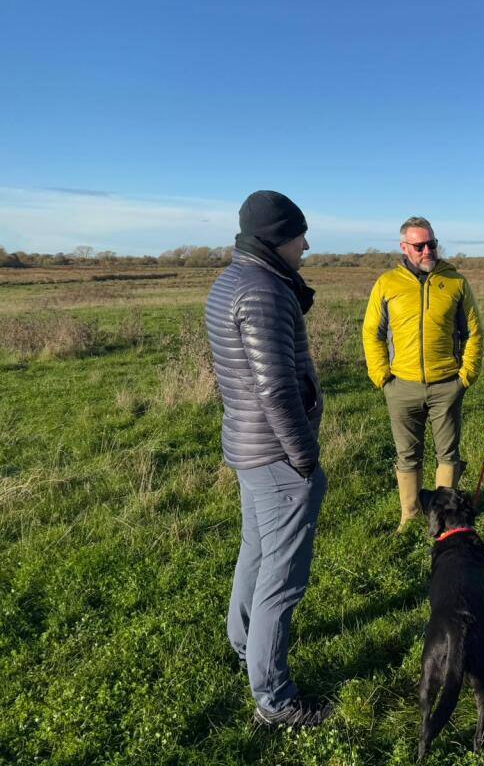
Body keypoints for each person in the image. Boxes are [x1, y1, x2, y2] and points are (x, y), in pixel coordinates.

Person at [205, 190, 332, 728]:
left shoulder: (231, 280)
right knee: (283, 578)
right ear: (276, 237)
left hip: (249, 447)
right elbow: (276, 390)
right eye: (298, 234)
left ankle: (245, 645)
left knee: (256, 555)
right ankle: (275, 700)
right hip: (278, 456)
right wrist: (305, 458)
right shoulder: (263, 292)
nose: (305, 244)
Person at [362, 216, 483, 530]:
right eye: (420, 245)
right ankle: (410, 515)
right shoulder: (387, 284)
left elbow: (473, 332)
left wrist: (465, 376)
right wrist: (382, 378)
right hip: (401, 386)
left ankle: (446, 517)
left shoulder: (455, 282)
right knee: (408, 454)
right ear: (404, 247)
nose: (428, 250)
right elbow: (372, 333)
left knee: (448, 452)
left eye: (432, 243)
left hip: (447, 385)